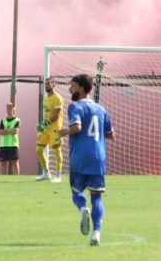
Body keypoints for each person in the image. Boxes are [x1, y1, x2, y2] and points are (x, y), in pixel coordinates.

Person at [58, 74, 114, 247]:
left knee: (76, 192)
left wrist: (64, 132)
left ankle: (83, 209)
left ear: (82, 88)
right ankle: (96, 233)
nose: (70, 89)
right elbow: (111, 135)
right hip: (98, 158)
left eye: (73, 86)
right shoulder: (102, 109)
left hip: (79, 158)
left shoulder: (75, 107)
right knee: (97, 197)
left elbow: (77, 127)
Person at [35, 77, 65, 182]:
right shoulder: (45, 98)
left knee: (57, 152)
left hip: (55, 128)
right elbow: (46, 115)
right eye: (45, 84)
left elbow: (56, 116)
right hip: (45, 128)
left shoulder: (58, 98)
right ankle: (46, 173)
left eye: (48, 84)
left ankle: (58, 175)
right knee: (39, 150)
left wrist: (44, 124)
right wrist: (41, 126)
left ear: (54, 84)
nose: (46, 85)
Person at [0, 102, 20, 176]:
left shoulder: (17, 120)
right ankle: (2, 180)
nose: (8, 110)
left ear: (14, 109)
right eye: (7, 108)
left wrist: (6, 130)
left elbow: (15, 131)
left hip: (13, 144)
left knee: (15, 163)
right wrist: (10, 130)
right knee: (3, 163)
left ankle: (16, 180)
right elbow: (0, 132)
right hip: (3, 145)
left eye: (10, 108)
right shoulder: (3, 120)